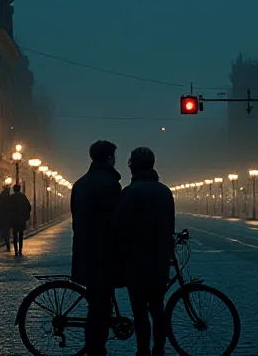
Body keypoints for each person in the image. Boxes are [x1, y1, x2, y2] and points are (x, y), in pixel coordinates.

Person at [116, 147, 175, 356]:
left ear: (133, 166)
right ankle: (159, 350)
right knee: (158, 309)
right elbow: (170, 227)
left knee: (140, 311)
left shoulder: (129, 192)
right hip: (159, 260)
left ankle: (143, 350)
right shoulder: (165, 191)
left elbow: (121, 227)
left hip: (135, 261)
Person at [71, 140, 122, 356]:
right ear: (110, 158)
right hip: (105, 252)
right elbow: (115, 221)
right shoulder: (110, 184)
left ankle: (95, 345)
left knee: (97, 302)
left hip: (85, 250)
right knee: (100, 306)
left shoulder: (80, 183)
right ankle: (96, 348)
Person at [8, 184, 31, 256]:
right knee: (21, 235)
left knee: (14, 235)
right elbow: (29, 207)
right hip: (21, 219)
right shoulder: (23, 197)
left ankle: (16, 251)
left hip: (14, 219)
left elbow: (7, 208)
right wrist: (26, 215)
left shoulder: (11, 198)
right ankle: (20, 250)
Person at [0, 185, 11, 252]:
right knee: (6, 230)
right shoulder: (8, 197)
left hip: (1, 215)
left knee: (1, 228)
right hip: (6, 216)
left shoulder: (0, 196)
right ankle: (6, 241)